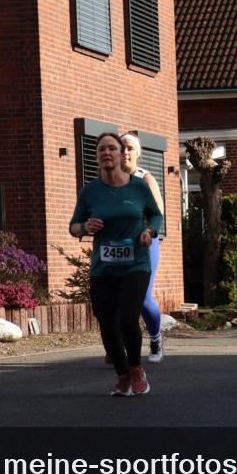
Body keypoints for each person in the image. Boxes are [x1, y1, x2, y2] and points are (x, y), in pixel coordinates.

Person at [70, 132, 163, 396]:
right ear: (97, 156)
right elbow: (73, 227)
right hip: (104, 267)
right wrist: (85, 226)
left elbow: (155, 215)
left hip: (136, 263)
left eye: (112, 148)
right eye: (101, 149)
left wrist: (150, 232)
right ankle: (122, 375)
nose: (106, 153)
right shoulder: (90, 191)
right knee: (106, 321)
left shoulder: (138, 187)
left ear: (122, 153)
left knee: (126, 318)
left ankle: (136, 370)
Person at [120, 133, 167, 363]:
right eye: (121, 148)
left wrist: (147, 231)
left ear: (138, 153)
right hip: (118, 245)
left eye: (129, 148)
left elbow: (158, 212)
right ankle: (120, 345)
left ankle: (156, 337)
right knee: (117, 295)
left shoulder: (145, 179)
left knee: (142, 296)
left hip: (145, 244)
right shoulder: (110, 180)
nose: (125, 152)